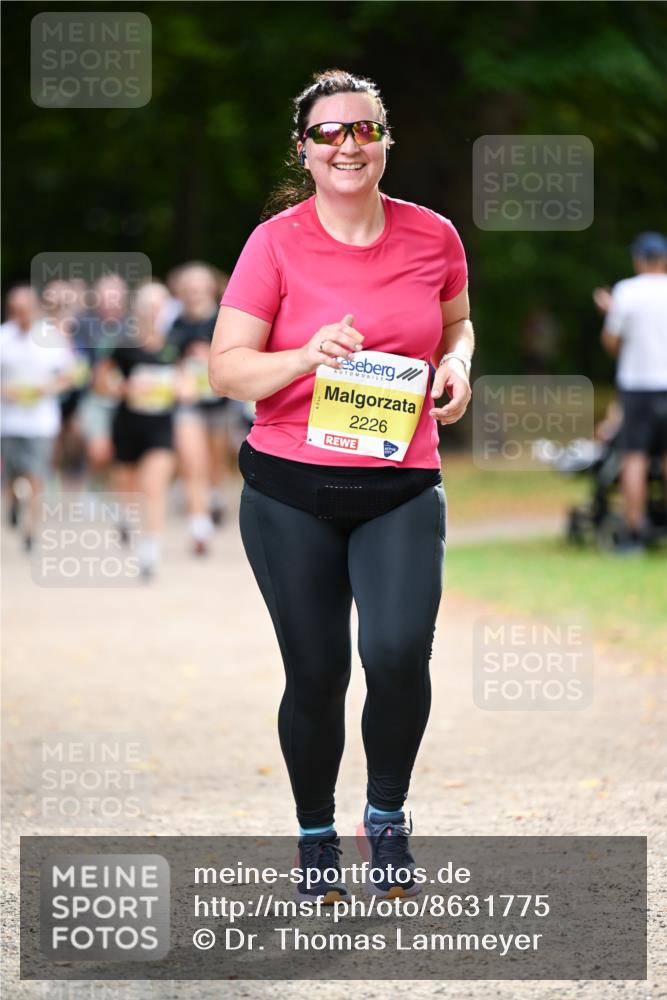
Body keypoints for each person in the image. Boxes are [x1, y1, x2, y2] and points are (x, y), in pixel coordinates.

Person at [209, 69, 473, 902]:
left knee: (395, 654)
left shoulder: (433, 235)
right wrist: (302, 355)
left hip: (401, 484)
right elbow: (225, 370)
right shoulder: (274, 244)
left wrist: (457, 366)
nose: (347, 145)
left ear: (385, 140)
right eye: (328, 133)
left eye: (363, 129)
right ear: (304, 150)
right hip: (290, 490)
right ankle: (314, 833)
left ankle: (385, 814)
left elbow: (458, 323)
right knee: (318, 673)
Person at [94, 282, 184, 579]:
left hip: (161, 426)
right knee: (126, 485)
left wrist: (179, 388)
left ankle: (149, 551)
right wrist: (123, 387)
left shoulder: (175, 342)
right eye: (149, 307)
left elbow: (189, 382)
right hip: (127, 426)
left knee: (153, 487)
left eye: (160, 307)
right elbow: (101, 382)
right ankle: (124, 517)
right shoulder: (123, 344)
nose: (155, 313)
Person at [600, 231, 667, 553]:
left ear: (639, 260)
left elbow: (612, 341)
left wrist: (611, 313)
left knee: (635, 457)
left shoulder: (626, 291)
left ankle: (635, 530)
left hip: (638, 385)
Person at [167, 262, 235, 554]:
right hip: (189, 403)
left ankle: (215, 494)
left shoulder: (224, 319)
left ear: (211, 286)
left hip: (220, 401)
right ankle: (199, 526)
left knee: (214, 461)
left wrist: (209, 357)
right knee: (193, 461)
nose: (194, 289)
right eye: (189, 285)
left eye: (199, 283)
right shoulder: (175, 324)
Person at [1, 285, 75, 548]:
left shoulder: (51, 338)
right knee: (13, 473)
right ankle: (13, 501)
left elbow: (68, 375)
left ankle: (32, 528)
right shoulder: (3, 336)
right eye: (16, 309)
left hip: (41, 421)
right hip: (8, 420)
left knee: (36, 473)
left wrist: (48, 388)